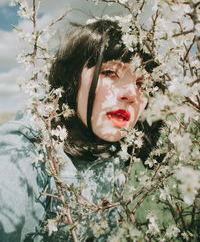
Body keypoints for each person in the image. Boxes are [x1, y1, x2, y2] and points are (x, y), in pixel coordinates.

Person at [0, 19, 170, 242]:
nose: (131, 94)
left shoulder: (118, 154)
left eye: (141, 83)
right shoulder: (24, 149)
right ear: (72, 79)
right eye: (109, 72)